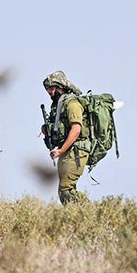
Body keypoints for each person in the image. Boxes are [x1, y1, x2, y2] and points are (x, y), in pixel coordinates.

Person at [42, 70, 90, 204]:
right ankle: (91, 212)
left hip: (76, 150)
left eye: (51, 88)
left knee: (66, 189)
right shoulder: (58, 105)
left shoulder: (72, 104)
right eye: (48, 89)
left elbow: (76, 129)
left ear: (60, 87)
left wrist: (61, 150)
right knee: (66, 189)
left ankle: (82, 212)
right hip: (66, 151)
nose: (49, 92)